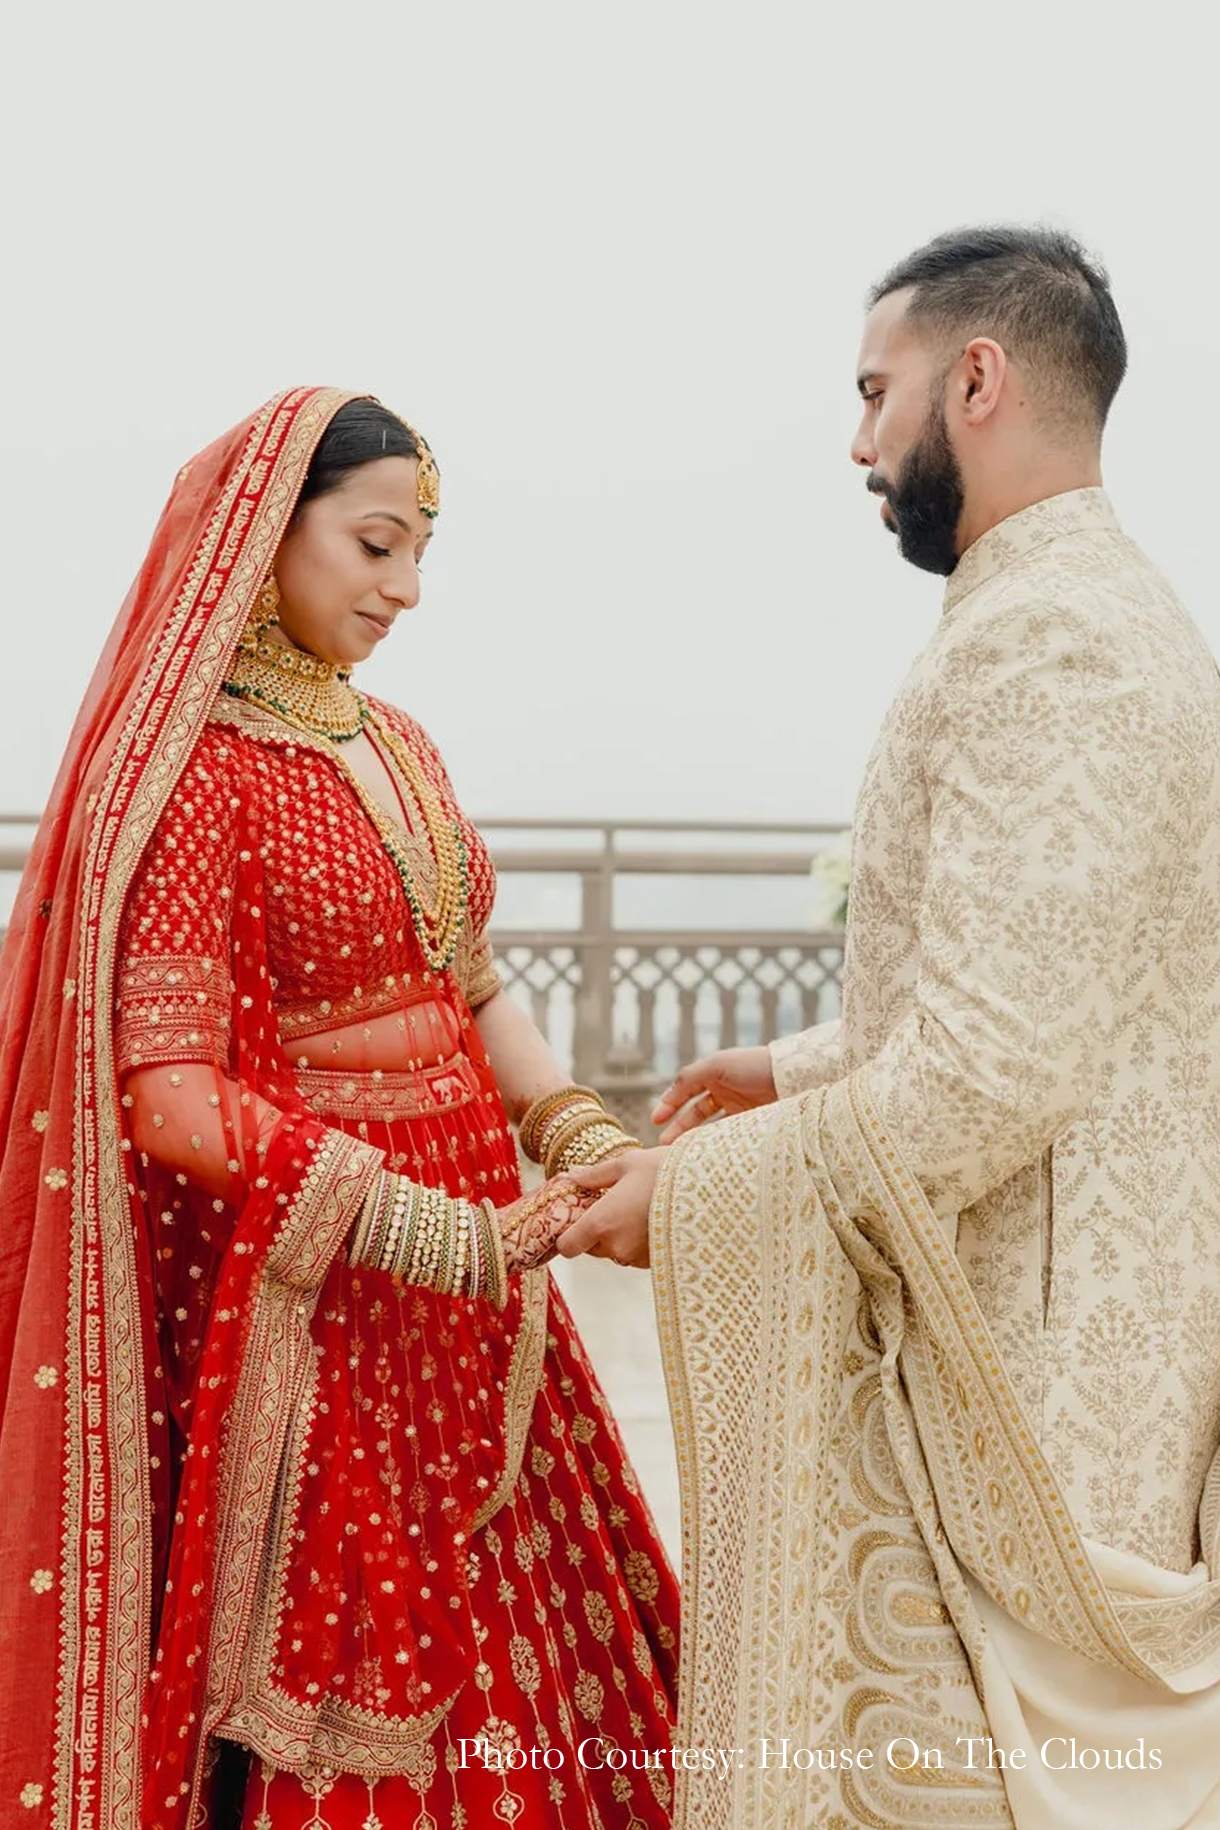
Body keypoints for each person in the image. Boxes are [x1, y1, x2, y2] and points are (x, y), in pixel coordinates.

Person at [560, 227, 1220, 1829]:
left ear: (976, 380)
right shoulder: (1079, 611)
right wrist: (788, 1067)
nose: (859, 441)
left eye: (877, 392)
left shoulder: (1049, 641)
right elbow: (1032, 985)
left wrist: (695, 1192)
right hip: (1050, 1325)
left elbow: (994, 1068)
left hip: (1034, 1376)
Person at [0, 388, 678, 1830]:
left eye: (420, 552)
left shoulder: (405, 744)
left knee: (524, 1601)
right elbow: (171, 1099)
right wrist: (426, 1229)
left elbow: (474, 977)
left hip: (491, 1267)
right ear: (267, 534)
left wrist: (578, 1127)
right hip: (335, 1289)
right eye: (376, 544)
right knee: (361, 1654)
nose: (405, 589)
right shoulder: (197, 781)